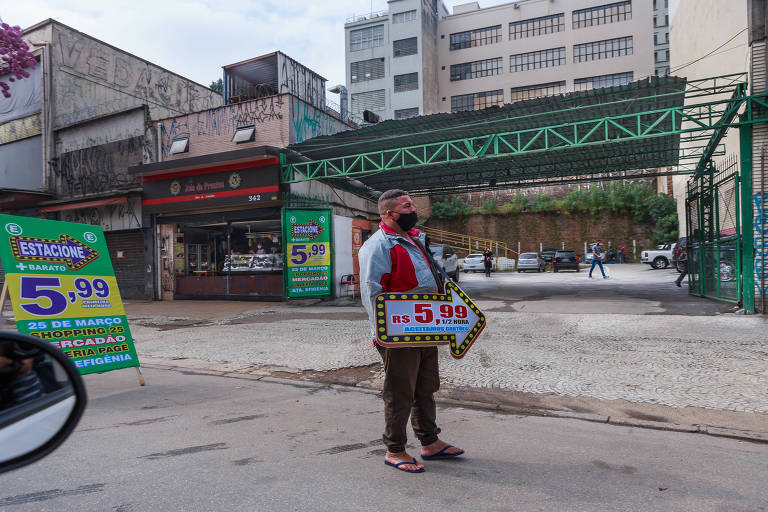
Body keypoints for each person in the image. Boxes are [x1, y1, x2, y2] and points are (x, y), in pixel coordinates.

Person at [359, 189, 464, 474]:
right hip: (396, 333)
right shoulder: (378, 246)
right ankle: (395, 448)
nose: (413, 209)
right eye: (407, 206)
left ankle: (430, 442)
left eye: (413, 205)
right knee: (400, 391)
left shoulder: (415, 239)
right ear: (389, 214)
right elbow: (372, 293)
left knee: (426, 387)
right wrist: (382, 334)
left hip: (426, 328)